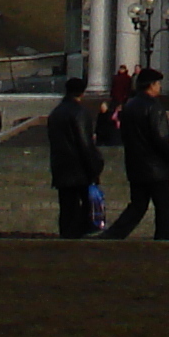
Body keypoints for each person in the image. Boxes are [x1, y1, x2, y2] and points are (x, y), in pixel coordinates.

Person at [100, 66, 169, 240]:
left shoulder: (129, 106)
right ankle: (164, 240)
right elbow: (160, 136)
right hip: (156, 167)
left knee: (137, 206)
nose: (160, 87)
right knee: (164, 206)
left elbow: (125, 134)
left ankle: (113, 235)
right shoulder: (155, 107)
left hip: (135, 165)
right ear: (152, 85)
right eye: (158, 84)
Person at [49, 77, 101, 240]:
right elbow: (85, 144)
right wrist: (95, 167)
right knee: (85, 205)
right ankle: (78, 236)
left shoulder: (55, 113)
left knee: (66, 207)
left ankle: (66, 236)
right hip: (79, 168)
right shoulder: (80, 113)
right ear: (82, 92)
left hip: (61, 166)